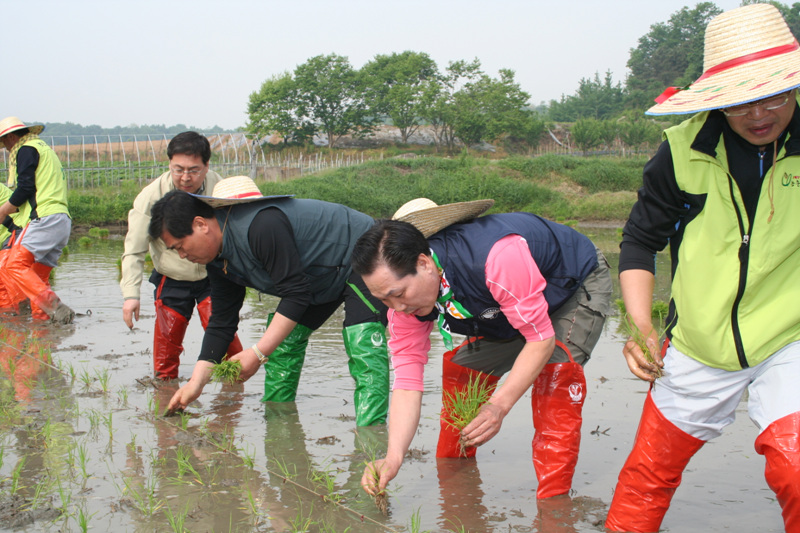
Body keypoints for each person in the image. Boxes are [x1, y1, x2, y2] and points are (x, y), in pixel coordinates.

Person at [606, 5, 800, 532]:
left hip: (790, 339)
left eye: (777, 95)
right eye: (743, 103)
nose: (761, 113)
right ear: (720, 101)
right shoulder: (681, 152)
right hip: (698, 343)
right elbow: (641, 243)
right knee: (647, 475)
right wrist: (643, 327)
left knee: (798, 467)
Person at [353, 198, 612, 499]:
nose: (396, 307)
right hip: (509, 307)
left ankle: (553, 507)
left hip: (570, 285)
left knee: (556, 375)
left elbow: (540, 339)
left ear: (424, 263)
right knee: (463, 371)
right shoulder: (403, 304)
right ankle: (455, 484)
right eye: (384, 299)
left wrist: (498, 406)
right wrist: (394, 456)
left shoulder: (495, 256)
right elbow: (407, 382)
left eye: (398, 294)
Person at [147, 176, 390, 426]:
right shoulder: (218, 261)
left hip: (362, 254)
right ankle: (280, 432)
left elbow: (295, 294)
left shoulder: (261, 225)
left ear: (200, 224)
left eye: (180, 247)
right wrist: (195, 385)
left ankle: (372, 444)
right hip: (319, 277)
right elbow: (221, 324)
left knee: (364, 346)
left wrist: (257, 353)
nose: (183, 256)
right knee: (284, 342)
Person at [120, 131, 243, 380]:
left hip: (214, 274)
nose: (185, 178)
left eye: (194, 170)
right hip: (173, 278)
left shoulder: (220, 189)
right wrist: (130, 295)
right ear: (169, 164)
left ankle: (234, 400)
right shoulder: (151, 197)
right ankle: (166, 398)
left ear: (207, 166)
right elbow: (134, 249)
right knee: (166, 348)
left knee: (226, 340)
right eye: (178, 169)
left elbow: (238, 232)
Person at [0, 116, 73, 323]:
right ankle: (43, 330)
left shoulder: (26, 149)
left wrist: (4, 211)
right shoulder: (44, 149)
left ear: (12, 137)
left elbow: (25, 187)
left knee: (13, 265)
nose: (5, 148)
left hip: (44, 218)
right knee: (38, 278)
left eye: (4, 142)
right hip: (61, 220)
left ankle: (54, 305)